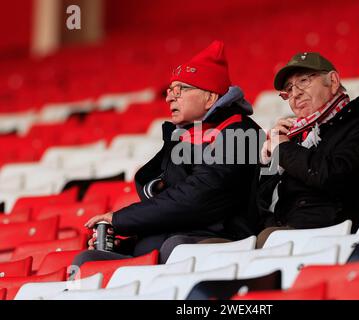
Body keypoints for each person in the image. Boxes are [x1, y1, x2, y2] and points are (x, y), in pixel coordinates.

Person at [73, 41, 262, 267]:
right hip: (172, 240)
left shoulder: (240, 133)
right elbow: (167, 202)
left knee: (175, 248)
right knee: (88, 261)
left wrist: (122, 219)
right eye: (169, 91)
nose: (169, 98)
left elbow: (197, 198)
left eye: (180, 90)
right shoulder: (184, 136)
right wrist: (123, 241)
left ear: (210, 97)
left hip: (222, 244)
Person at [254, 52, 359, 248]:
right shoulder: (296, 135)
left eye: (303, 81)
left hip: (337, 235)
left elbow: (334, 176)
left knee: (263, 240)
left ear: (333, 81)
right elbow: (260, 199)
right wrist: (268, 160)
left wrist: (284, 149)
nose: (295, 94)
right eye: (289, 89)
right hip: (286, 232)